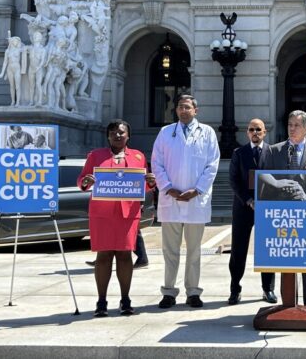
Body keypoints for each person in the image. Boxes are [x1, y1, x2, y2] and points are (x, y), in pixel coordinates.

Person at [77, 119, 156, 317]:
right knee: (103, 256)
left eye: (121, 132)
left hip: (127, 215)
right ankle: (101, 301)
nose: (117, 135)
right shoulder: (96, 156)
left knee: (125, 255)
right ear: (108, 135)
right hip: (102, 214)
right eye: (113, 132)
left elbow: (141, 186)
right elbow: (82, 180)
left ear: (128, 135)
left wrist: (151, 182)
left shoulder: (138, 156)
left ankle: (125, 300)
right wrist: (86, 182)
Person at [151, 94, 220, 309]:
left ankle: (193, 292)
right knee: (169, 251)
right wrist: (168, 188)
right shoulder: (165, 133)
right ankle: (169, 292)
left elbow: (212, 165)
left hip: (195, 201)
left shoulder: (207, 133)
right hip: (170, 199)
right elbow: (156, 163)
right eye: (180, 107)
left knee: (194, 250)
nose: (183, 111)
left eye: (187, 107)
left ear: (195, 110)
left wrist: (197, 190)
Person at [259, 110, 306, 307]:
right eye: (290, 125)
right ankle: (288, 305)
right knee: (287, 261)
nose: (292, 129)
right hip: (283, 215)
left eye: (296, 125)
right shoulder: (274, 150)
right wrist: (278, 184)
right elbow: (263, 176)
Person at [227, 118, 276, 305]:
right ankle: (235, 289)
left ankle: (268, 289)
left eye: (258, 129)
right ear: (247, 133)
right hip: (243, 207)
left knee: (267, 250)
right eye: (251, 129)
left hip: (266, 208)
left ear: (264, 132)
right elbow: (233, 180)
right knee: (238, 250)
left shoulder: (272, 152)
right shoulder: (239, 153)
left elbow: (276, 178)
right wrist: (248, 200)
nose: (255, 132)